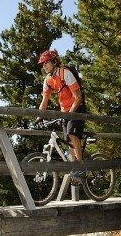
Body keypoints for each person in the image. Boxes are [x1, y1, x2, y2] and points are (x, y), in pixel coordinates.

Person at [35, 49, 87, 181]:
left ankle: (80, 167)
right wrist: (39, 116)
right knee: (68, 141)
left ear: (54, 62)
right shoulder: (48, 80)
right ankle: (74, 167)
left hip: (77, 108)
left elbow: (78, 97)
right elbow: (44, 100)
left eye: (46, 62)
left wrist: (70, 114)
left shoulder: (65, 73)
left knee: (72, 134)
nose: (44, 66)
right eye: (43, 64)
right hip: (65, 111)